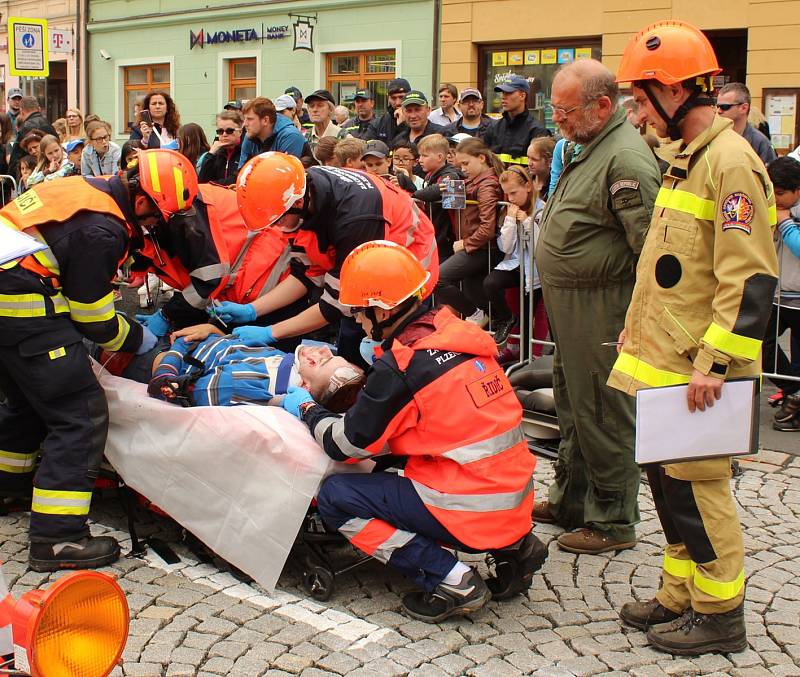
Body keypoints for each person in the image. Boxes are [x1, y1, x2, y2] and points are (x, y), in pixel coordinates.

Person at [611, 20, 779, 655]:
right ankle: (680, 594)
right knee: (669, 484)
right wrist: (635, 324)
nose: (633, 109)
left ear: (675, 91)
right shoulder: (688, 160)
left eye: (639, 95)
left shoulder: (730, 163)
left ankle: (720, 612)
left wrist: (717, 362)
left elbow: (751, 276)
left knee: (702, 490)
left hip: (701, 369)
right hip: (666, 358)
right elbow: (670, 262)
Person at [281, 240, 546, 622]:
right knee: (395, 466)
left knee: (337, 496)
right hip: (514, 499)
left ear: (384, 308)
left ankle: (452, 579)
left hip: (470, 507)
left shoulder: (404, 367)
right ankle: (516, 549)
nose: (356, 319)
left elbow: (344, 445)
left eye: (359, 310)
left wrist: (306, 408)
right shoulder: (453, 333)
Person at [0, 149, 197, 571]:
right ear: (142, 200)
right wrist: (137, 337)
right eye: (156, 217)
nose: (154, 227)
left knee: (26, 401)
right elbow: (91, 316)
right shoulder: (104, 229)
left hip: (9, 299)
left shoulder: (84, 190)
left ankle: (8, 487)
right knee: (79, 415)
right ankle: (58, 540)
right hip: (23, 309)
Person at [534, 58, 661, 555]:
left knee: (605, 412)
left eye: (565, 110)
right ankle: (571, 499)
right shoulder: (591, 146)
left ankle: (612, 518)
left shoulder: (624, 158)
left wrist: (635, 320)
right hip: (575, 307)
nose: (557, 119)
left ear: (602, 106)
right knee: (573, 405)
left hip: (603, 308)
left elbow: (650, 250)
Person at [221, 152, 439, 366]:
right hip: (371, 264)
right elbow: (305, 275)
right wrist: (253, 310)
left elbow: (336, 305)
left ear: (298, 203)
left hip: (406, 278)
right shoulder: (300, 194)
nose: (277, 227)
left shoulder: (356, 217)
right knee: (350, 350)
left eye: (278, 220)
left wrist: (272, 332)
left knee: (392, 365)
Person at [130, 181, 306, 339]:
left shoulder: (185, 218)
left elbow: (208, 281)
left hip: (268, 281)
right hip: (245, 284)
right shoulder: (172, 208)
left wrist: (168, 315)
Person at [144, 335, 363, 413]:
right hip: (195, 342)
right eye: (332, 354)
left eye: (319, 361)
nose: (324, 349)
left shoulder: (237, 386)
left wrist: (176, 350)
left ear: (304, 388)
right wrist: (210, 332)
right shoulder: (287, 365)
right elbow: (233, 348)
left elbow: (162, 387)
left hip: (165, 358)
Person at [434, 137, 503, 327]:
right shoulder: (472, 181)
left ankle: (478, 315)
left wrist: (465, 243)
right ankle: (485, 318)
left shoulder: (487, 185)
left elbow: (487, 227)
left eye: (466, 163)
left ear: (481, 158)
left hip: (480, 248)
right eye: (460, 164)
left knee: (437, 279)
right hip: (473, 247)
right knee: (475, 293)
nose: (462, 169)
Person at [484, 165, 544, 346]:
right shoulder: (508, 210)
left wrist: (526, 221)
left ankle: (528, 356)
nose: (510, 199)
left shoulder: (541, 208)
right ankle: (507, 319)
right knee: (490, 283)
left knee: (528, 316)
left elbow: (538, 246)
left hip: (535, 270)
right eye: (507, 195)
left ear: (527, 186)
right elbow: (506, 248)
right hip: (515, 265)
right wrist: (510, 220)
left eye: (514, 193)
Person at [764, 157, 800, 431]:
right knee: (758, 342)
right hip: (777, 294)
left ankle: (795, 407)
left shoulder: (789, 214)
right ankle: (793, 392)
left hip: (798, 297)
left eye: (780, 194)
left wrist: (786, 223)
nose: (775, 199)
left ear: (797, 190)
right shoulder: (774, 209)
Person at [401, 134, 461, 260]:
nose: (420, 160)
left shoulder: (451, 175)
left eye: (424, 155)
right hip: (434, 232)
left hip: (447, 237)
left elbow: (430, 192)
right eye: (420, 155)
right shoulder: (429, 175)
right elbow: (427, 192)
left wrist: (417, 194)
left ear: (440, 157)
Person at [483, 75, 549, 168]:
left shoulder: (537, 131)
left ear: (522, 96)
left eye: (508, 93)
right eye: (503, 93)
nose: (503, 97)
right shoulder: (494, 128)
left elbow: (540, 170)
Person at [716, 82, 776, 165]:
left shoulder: (760, 142)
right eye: (717, 106)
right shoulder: (713, 137)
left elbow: (769, 175)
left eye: (724, 107)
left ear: (744, 108)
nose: (718, 111)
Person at [238, 97, 306, 168]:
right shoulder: (250, 134)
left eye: (249, 119)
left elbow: (283, 175)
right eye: (244, 119)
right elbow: (242, 172)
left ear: (265, 120)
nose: (245, 124)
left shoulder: (291, 136)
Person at [9, 97, 57, 180]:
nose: (33, 151)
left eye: (35, 147)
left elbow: (15, 158)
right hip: (52, 172)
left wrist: (10, 182)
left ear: (21, 111)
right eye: (31, 149)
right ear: (38, 109)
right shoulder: (49, 125)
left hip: (32, 177)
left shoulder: (25, 128)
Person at [197, 110, 242, 185]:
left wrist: (211, 184)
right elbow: (202, 181)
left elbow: (234, 180)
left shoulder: (246, 151)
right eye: (220, 131)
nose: (224, 134)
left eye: (229, 131)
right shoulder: (217, 152)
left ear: (240, 132)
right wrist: (210, 154)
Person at [366, 78, 410, 144]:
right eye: (393, 98)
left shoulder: (419, 121)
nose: (398, 102)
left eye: (401, 97)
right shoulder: (377, 125)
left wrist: (403, 126)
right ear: (388, 99)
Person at [526, 136, 555, 201]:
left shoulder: (556, 185)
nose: (529, 163)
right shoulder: (523, 177)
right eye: (528, 157)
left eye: (534, 159)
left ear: (549, 161)